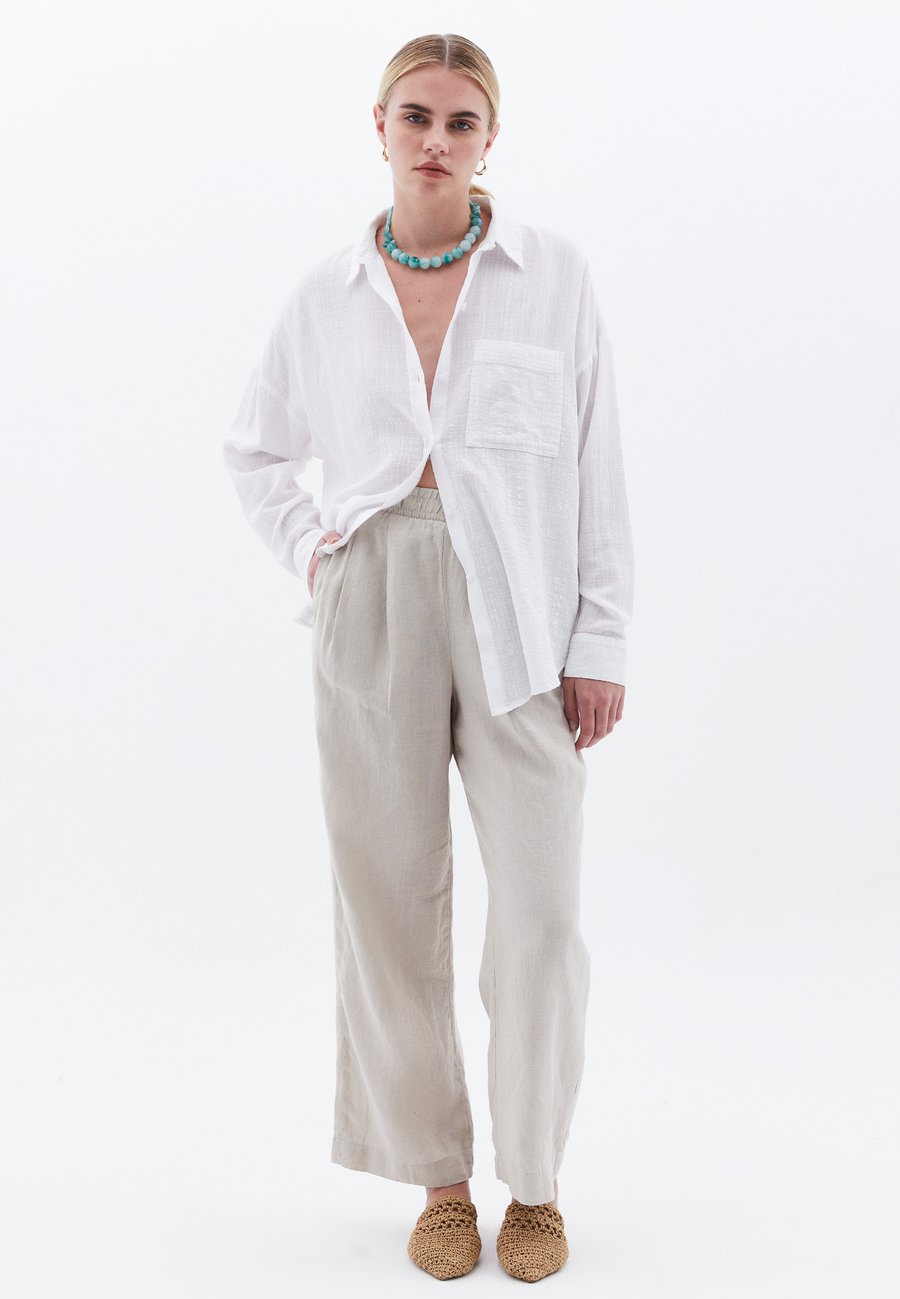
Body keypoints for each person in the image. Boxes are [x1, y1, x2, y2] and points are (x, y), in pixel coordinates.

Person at [222, 32, 634, 1283]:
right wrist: (321, 559)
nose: (437, 141)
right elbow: (255, 452)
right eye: (417, 116)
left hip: (523, 612)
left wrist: (601, 635)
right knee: (388, 902)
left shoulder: (553, 276)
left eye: (461, 121)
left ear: (490, 137)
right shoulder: (326, 295)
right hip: (376, 600)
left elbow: (597, 462)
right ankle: (440, 1182)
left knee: (542, 915)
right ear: (381, 126)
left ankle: (537, 1185)